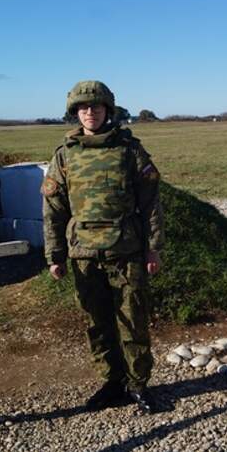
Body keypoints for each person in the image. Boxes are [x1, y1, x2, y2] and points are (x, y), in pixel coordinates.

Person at [42, 80, 165, 413]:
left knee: (133, 321)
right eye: (83, 108)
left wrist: (153, 248)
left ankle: (138, 385)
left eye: (96, 107)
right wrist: (54, 256)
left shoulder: (129, 150)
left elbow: (151, 202)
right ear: (75, 112)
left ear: (108, 110)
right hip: (83, 255)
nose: (89, 112)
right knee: (96, 324)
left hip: (125, 253)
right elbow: (53, 210)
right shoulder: (64, 155)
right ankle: (112, 383)